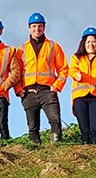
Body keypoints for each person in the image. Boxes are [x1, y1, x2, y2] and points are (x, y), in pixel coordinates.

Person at [14, 13, 69, 145]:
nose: (37, 29)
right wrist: (19, 90)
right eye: (34, 26)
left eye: (40, 26)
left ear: (44, 28)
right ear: (29, 28)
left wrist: (56, 86)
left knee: (55, 120)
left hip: (47, 91)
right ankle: (35, 151)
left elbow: (64, 69)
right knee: (32, 126)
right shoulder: (21, 49)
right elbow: (16, 73)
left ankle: (56, 146)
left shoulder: (53, 46)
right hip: (28, 93)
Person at [69, 27, 96, 146]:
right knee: (84, 128)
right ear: (83, 43)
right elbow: (72, 70)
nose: (91, 44)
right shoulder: (76, 57)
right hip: (80, 96)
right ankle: (87, 151)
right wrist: (76, 75)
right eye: (88, 42)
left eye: (93, 41)